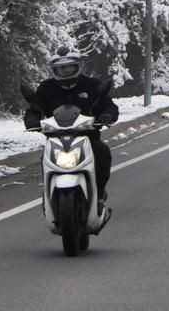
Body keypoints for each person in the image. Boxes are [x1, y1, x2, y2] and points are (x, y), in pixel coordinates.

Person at [24, 47, 120, 216]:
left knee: (102, 152)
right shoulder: (46, 88)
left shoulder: (91, 85)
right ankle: (48, 194)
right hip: (56, 138)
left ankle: (98, 193)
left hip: (87, 137)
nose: (65, 71)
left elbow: (108, 105)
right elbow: (35, 107)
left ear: (77, 67)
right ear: (54, 70)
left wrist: (107, 115)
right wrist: (32, 119)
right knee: (44, 159)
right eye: (61, 68)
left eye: (69, 67)